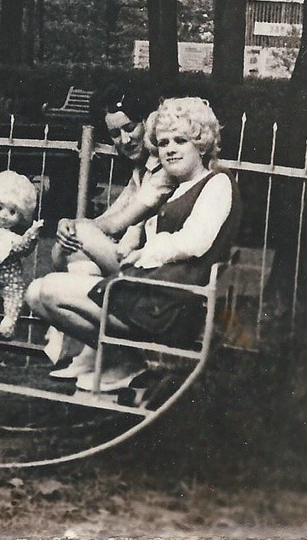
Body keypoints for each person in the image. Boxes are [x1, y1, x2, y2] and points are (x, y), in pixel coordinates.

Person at [27, 97, 241, 392]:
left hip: (168, 305)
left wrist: (142, 253)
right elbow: (118, 221)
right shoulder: (176, 185)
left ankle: (124, 359)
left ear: (202, 143)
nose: (170, 149)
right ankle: (117, 357)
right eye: (164, 142)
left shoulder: (217, 183)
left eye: (181, 140)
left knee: (49, 289)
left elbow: (195, 241)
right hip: (149, 294)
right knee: (36, 293)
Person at [43, 86, 175, 373]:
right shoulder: (141, 171)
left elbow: (119, 221)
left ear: (148, 123)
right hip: (135, 264)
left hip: (156, 274)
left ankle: (114, 357)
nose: (124, 140)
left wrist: (79, 229)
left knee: (80, 238)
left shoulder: (165, 170)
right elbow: (112, 214)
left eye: (130, 128)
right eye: (115, 134)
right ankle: (90, 357)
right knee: (77, 262)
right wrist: (72, 229)